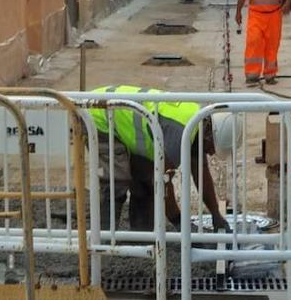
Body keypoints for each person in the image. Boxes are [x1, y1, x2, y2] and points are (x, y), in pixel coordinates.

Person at [88, 85, 231, 233]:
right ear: (210, 135)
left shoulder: (198, 126)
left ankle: (141, 239)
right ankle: (102, 241)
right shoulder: (180, 132)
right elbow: (162, 185)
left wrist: (216, 214)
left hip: (121, 117)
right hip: (99, 114)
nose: (212, 153)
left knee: (143, 181)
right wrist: (180, 224)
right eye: (214, 147)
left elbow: (201, 174)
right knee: (116, 182)